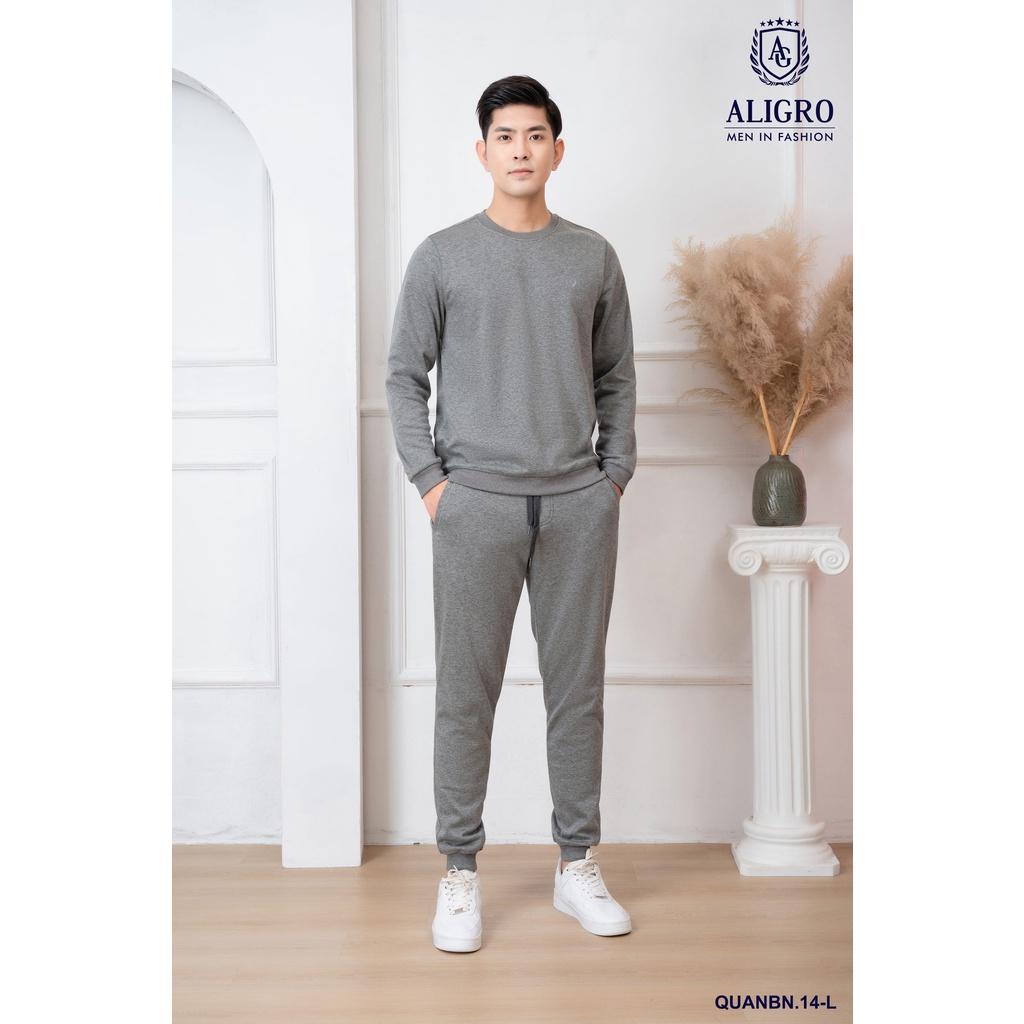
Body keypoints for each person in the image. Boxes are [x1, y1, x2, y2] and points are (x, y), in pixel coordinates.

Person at [384, 75, 636, 953]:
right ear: (482, 151)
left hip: (578, 507)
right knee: (466, 695)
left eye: (535, 136)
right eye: (505, 136)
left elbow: (617, 376)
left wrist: (613, 476)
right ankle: (459, 873)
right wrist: (433, 484)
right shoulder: (442, 257)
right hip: (474, 508)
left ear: (557, 151)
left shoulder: (593, 257)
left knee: (577, 693)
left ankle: (577, 865)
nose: (520, 149)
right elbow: (403, 377)